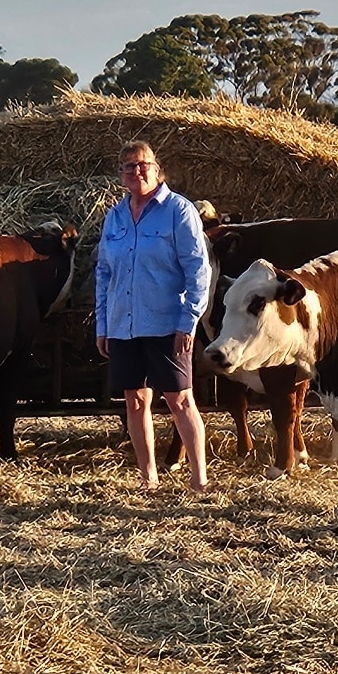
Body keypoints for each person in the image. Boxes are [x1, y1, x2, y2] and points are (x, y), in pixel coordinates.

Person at [93, 140, 214, 491]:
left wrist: (188, 319)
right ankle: (149, 478)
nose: (136, 171)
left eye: (143, 164)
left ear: (157, 169)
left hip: (166, 322)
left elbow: (197, 269)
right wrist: (103, 324)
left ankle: (198, 479)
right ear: (121, 175)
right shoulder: (114, 217)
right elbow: (104, 273)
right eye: (128, 167)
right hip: (123, 323)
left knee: (180, 399)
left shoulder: (178, 211)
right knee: (135, 399)